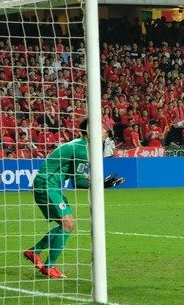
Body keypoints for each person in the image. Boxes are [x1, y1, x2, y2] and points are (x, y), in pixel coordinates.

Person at [23, 119, 124, 278]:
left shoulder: (81, 146)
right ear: (90, 131)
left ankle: (34, 251)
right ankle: (49, 266)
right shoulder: (82, 149)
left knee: (67, 225)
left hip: (51, 185)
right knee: (68, 224)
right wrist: (102, 185)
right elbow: (78, 182)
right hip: (48, 185)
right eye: (101, 128)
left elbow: (78, 176)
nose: (106, 131)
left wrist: (100, 182)